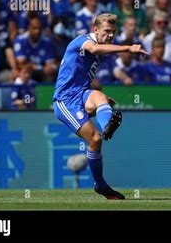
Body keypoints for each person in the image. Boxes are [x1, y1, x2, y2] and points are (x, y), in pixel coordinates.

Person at [53, 13, 148, 199]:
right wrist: (128, 48)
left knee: (100, 96)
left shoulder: (98, 53)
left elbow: (84, 77)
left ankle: (107, 125)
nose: (111, 35)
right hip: (65, 101)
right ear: (95, 30)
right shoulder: (83, 41)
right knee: (95, 139)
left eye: (113, 32)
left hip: (81, 94)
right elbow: (94, 49)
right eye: (107, 31)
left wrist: (101, 102)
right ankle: (101, 185)